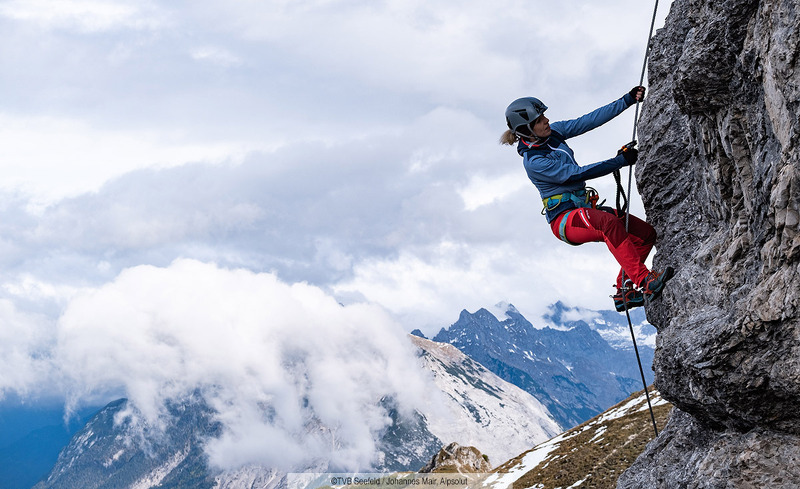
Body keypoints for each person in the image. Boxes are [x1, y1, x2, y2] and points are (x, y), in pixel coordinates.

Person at [501, 87, 673, 311]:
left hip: (582, 210)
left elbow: (587, 121)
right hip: (564, 220)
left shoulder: (553, 133)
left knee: (645, 234)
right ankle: (645, 281)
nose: (547, 120)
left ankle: (625, 289)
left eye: (543, 115)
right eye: (540, 119)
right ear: (526, 130)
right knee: (609, 223)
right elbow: (577, 174)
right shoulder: (534, 161)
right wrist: (619, 161)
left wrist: (627, 100)